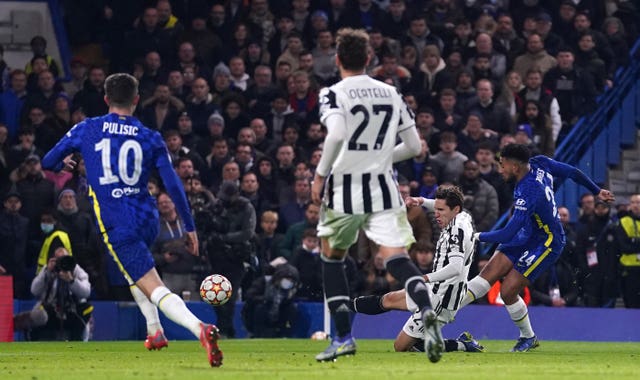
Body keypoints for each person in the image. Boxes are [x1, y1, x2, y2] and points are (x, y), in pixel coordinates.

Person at [41, 73, 223, 367]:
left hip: (117, 221)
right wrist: (189, 227)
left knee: (153, 284)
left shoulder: (87, 128)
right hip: (147, 217)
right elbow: (173, 184)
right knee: (134, 269)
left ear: (105, 99)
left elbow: (48, 161)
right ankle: (155, 332)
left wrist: (67, 162)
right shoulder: (151, 136)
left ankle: (199, 328)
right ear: (136, 100)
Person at [311, 28, 442, 363]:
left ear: (338, 59)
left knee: (333, 258)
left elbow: (338, 133)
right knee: (398, 258)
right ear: (368, 59)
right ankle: (426, 310)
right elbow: (414, 147)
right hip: (383, 187)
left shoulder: (333, 93)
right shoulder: (390, 92)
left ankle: (342, 337)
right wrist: (381, 157)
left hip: (344, 187)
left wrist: (320, 174)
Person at [462, 144, 614, 351]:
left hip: (547, 241)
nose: (500, 169)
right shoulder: (540, 162)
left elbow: (507, 233)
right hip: (526, 233)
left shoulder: (528, 191)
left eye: (503, 165)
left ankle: (528, 337)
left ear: (515, 167)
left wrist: (475, 236)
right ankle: (444, 315)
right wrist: (597, 190)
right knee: (487, 274)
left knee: (507, 291)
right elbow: (572, 172)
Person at [352, 186, 484, 354]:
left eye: (441, 210)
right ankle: (344, 306)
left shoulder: (456, 231)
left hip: (441, 300)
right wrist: (421, 201)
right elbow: (440, 205)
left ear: (455, 209)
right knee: (389, 299)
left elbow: (455, 268)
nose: (436, 214)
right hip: (433, 290)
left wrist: (425, 278)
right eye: (436, 209)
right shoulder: (463, 216)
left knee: (401, 346)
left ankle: (463, 344)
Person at [14, 247, 92, 341]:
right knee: (39, 315)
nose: (62, 262)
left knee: (87, 309)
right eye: (59, 259)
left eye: (65, 258)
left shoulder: (75, 269)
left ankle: (77, 345)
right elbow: (34, 290)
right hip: (51, 309)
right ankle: (31, 338)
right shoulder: (48, 269)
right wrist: (46, 271)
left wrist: (72, 281)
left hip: (72, 310)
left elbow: (86, 292)